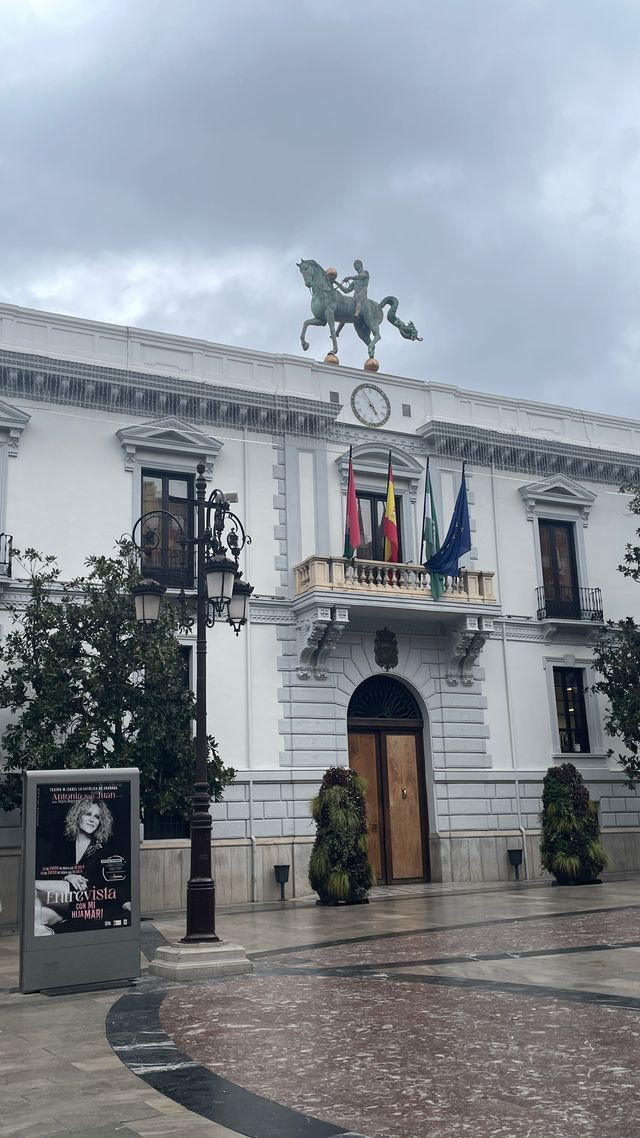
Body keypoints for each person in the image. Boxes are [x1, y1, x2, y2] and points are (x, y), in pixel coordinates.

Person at [34, 796, 129, 935]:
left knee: (32, 886)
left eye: (97, 817)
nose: (92, 820)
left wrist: (125, 901)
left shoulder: (105, 849)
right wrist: (68, 876)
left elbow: (113, 882)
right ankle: (60, 921)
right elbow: (51, 871)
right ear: (78, 816)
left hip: (87, 897)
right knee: (40, 915)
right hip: (65, 898)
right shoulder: (64, 844)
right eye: (88, 814)